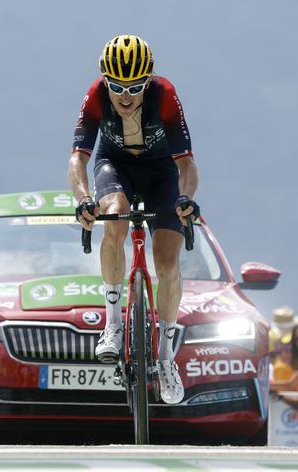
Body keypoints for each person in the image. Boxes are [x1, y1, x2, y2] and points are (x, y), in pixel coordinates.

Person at [68, 35, 200, 404]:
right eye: (117, 87)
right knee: (113, 217)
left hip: (160, 172)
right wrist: (82, 200)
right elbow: (78, 158)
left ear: (149, 81)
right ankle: (112, 325)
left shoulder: (165, 95)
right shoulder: (96, 96)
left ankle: (166, 359)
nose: (125, 96)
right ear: (105, 80)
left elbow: (186, 164)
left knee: (167, 261)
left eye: (135, 87)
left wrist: (186, 198)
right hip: (116, 166)